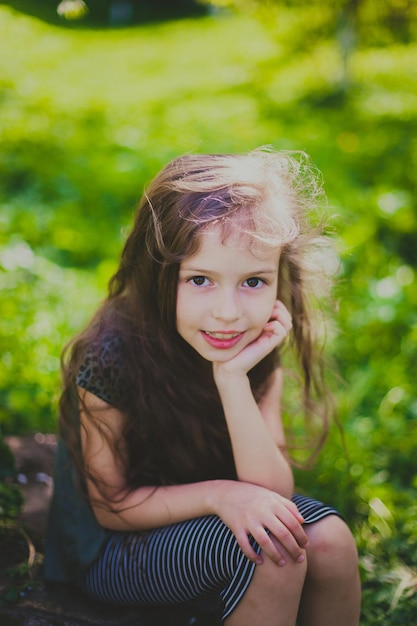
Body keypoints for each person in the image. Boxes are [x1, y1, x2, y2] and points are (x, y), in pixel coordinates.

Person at [45, 148, 361, 626]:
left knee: (331, 541)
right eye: (200, 279)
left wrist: (233, 379)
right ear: (158, 274)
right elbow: (112, 508)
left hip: (218, 517)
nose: (228, 312)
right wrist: (221, 496)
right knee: (271, 551)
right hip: (111, 552)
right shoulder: (112, 357)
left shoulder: (255, 342)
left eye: (254, 281)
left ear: (280, 278)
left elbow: (271, 489)